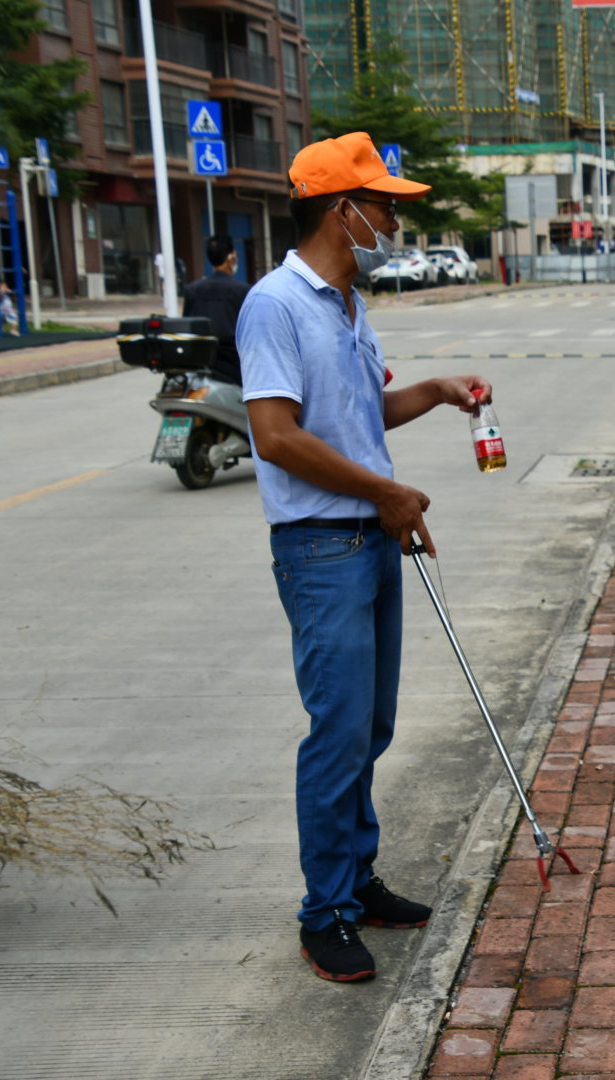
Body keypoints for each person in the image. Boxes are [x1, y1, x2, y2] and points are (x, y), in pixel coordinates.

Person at [236, 131, 493, 983]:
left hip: (370, 540)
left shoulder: (348, 305)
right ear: (341, 212)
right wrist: (384, 495)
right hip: (322, 548)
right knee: (338, 733)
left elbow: (359, 417)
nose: (394, 218)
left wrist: (440, 390)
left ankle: (357, 879)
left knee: (370, 727)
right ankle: (325, 912)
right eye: (383, 204)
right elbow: (275, 437)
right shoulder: (276, 304)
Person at [183, 235, 251, 384]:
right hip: (234, 368)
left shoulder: (192, 290)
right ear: (231, 256)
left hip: (200, 363)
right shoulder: (241, 290)